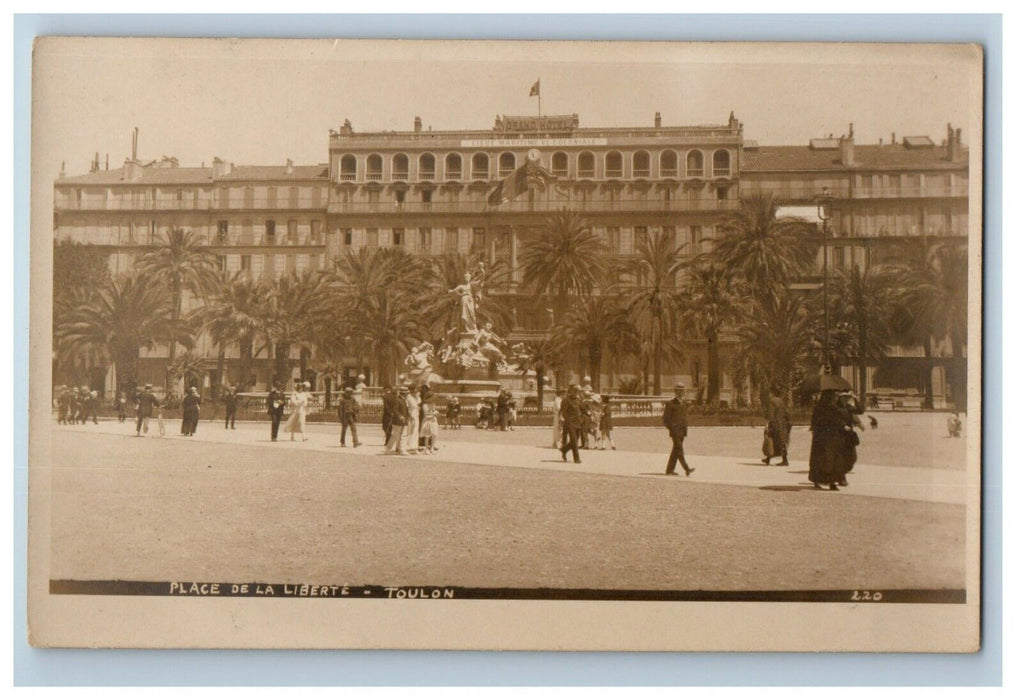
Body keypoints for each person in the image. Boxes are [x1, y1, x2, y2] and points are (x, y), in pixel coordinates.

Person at [808, 390, 854, 490]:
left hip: (820, 436)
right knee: (831, 459)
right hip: (831, 436)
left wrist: (814, 428)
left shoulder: (818, 407)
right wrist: (843, 426)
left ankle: (818, 480)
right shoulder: (832, 408)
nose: (836, 397)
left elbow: (814, 420)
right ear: (830, 397)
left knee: (819, 459)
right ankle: (832, 482)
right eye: (834, 396)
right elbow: (835, 420)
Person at [662, 382, 693, 476]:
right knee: (679, 450)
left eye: (682, 391)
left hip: (682, 431)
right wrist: (672, 428)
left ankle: (669, 470)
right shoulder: (670, 404)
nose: (681, 393)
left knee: (675, 451)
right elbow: (665, 419)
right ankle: (687, 468)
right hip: (675, 432)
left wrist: (684, 429)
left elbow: (684, 417)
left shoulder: (683, 404)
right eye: (679, 391)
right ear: (675, 392)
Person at [762, 387, 791, 466]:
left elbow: (771, 415)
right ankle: (768, 459)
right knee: (780, 442)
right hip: (782, 424)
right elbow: (787, 413)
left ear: (772, 393)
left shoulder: (772, 401)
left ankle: (784, 460)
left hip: (775, 424)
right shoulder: (781, 401)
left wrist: (767, 424)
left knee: (771, 440)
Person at [559, 385, 583, 464]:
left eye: (578, 391)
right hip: (570, 423)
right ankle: (577, 458)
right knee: (574, 440)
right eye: (575, 390)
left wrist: (588, 413)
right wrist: (566, 421)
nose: (576, 392)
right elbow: (563, 412)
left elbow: (581, 409)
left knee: (575, 439)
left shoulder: (578, 399)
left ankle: (564, 449)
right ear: (571, 391)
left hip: (577, 422)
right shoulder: (566, 400)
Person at [386, 385, 411, 455]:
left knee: (404, 435)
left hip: (404, 420)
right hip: (398, 421)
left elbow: (406, 410)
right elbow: (395, 409)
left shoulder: (405, 400)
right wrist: (400, 416)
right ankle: (388, 448)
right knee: (395, 435)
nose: (407, 394)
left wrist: (408, 416)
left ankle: (402, 449)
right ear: (404, 393)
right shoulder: (398, 400)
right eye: (406, 393)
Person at [404, 383, 422, 453]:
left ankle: (414, 446)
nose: (416, 392)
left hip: (416, 415)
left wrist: (417, 397)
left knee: (415, 432)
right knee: (410, 431)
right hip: (411, 416)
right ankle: (408, 446)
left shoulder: (416, 397)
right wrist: (410, 415)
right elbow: (408, 407)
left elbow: (418, 404)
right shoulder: (408, 397)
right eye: (415, 390)